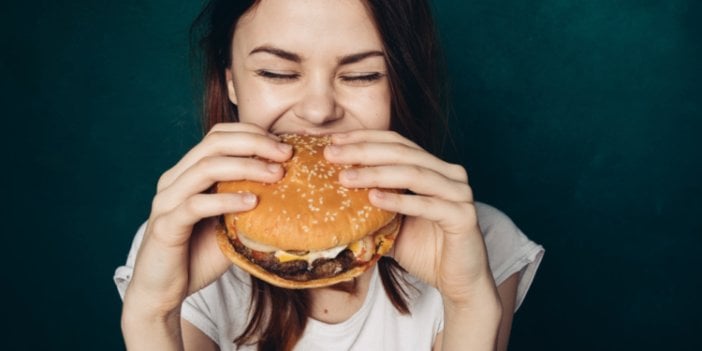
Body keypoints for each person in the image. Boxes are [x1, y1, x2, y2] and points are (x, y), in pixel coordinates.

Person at [114, 0, 544, 350]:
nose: (319, 111)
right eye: (277, 73)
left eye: (362, 75)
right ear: (230, 83)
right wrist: (151, 313)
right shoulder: (178, 243)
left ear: (400, 86)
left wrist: (468, 303)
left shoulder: (477, 238)